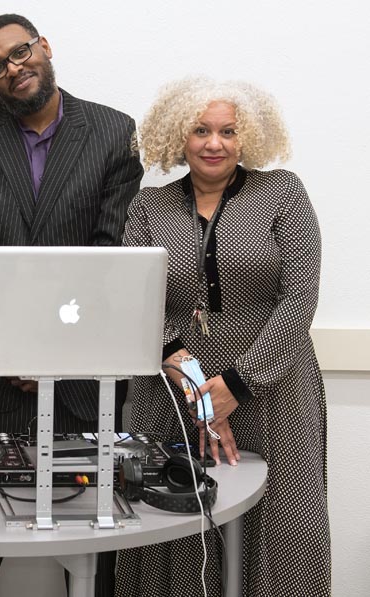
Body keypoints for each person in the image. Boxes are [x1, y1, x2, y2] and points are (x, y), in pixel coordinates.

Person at [0, 13, 143, 597]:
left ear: (44, 46)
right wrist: (15, 351)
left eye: (20, 52)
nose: (12, 68)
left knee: (92, 543)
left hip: (85, 376)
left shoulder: (112, 130)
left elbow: (111, 257)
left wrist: (54, 351)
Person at [116, 77, 330, 596]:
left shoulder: (284, 194)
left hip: (277, 397)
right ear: (178, 137)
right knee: (174, 535)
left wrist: (237, 385)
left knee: (281, 531)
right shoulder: (149, 206)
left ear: (247, 137)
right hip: (172, 397)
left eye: (228, 131)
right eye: (201, 130)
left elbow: (298, 300)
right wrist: (203, 397)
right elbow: (135, 300)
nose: (215, 143)